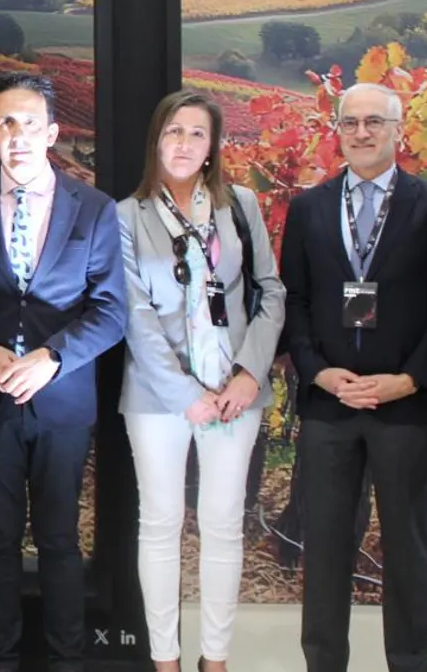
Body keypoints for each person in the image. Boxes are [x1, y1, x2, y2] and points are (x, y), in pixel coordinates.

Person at [281, 83, 427, 672]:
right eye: (351, 122)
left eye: (375, 123)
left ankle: (410, 662)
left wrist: (409, 380)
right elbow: (297, 302)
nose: (362, 133)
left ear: (398, 130)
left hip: (404, 407)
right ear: (337, 129)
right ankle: (323, 662)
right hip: (330, 406)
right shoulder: (309, 208)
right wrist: (319, 374)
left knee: (409, 547)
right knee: (326, 547)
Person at [0, 72, 128, 672]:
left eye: (30, 122)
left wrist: (54, 358)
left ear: (52, 132)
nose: (18, 134)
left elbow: (112, 311)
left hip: (63, 405)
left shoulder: (96, 208)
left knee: (59, 541)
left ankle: (67, 661)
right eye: (6, 122)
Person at [117, 89, 284, 672]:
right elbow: (134, 315)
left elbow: (271, 292)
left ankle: (215, 660)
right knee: (160, 522)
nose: (183, 143)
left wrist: (247, 375)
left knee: (221, 524)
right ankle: (165, 660)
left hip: (235, 393)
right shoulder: (127, 216)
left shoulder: (240, 205)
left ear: (213, 145)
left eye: (196, 133)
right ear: (156, 141)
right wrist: (187, 395)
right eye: (173, 131)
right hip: (159, 397)